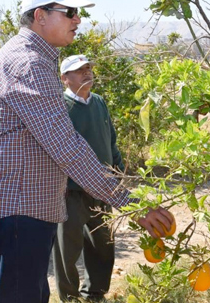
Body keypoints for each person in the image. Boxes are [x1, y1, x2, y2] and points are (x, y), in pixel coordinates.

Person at [0, 0, 174, 303]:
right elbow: (65, 146)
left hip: (27, 207)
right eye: (69, 12)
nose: (77, 20)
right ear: (40, 16)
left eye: (77, 13)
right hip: (19, 209)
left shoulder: (33, 58)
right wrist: (130, 202)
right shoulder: (29, 63)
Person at [52, 54, 124, 301]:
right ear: (64, 79)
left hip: (103, 189)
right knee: (67, 252)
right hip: (70, 192)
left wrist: (118, 170)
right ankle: (70, 298)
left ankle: (95, 294)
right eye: (79, 70)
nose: (86, 72)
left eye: (88, 68)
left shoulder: (100, 102)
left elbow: (110, 140)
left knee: (103, 245)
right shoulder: (59, 106)